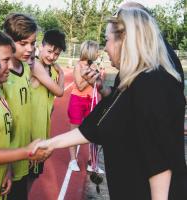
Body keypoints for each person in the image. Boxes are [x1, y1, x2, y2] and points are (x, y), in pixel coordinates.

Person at [33, 8, 187, 200]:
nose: (105, 48)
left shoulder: (152, 83)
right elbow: (96, 124)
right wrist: (51, 143)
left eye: (107, 40)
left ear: (125, 40)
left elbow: (160, 164)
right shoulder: (132, 80)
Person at [0, 28, 46, 200]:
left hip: (0, 181)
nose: (9, 66)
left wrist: (7, 168)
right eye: (5, 60)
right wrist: (26, 152)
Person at [2, 13, 37, 200]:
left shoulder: (25, 70)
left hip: (24, 155)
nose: (30, 49)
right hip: (7, 160)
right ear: (9, 41)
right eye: (24, 43)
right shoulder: (2, 77)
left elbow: (25, 112)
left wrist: (30, 145)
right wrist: (6, 166)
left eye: (33, 43)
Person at [28, 29, 66, 183]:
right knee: (27, 174)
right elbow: (59, 91)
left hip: (43, 128)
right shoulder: (36, 65)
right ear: (41, 46)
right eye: (49, 51)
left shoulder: (50, 68)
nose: (52, 56)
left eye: (56, 54)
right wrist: (62, 74)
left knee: (34, 175)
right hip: (31, 128)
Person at [67, 40, 104, 172]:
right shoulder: (78, 66)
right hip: (77, 100)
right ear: (90, 51)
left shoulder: (94, 65)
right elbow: (80, 86)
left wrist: (96, 75)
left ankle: (92, 162)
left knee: (92, 131)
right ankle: (72, 160)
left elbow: (99, 84)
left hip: (92, 100)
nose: (98, 53)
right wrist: (91, 75)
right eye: (96, 50)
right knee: (74, 131)